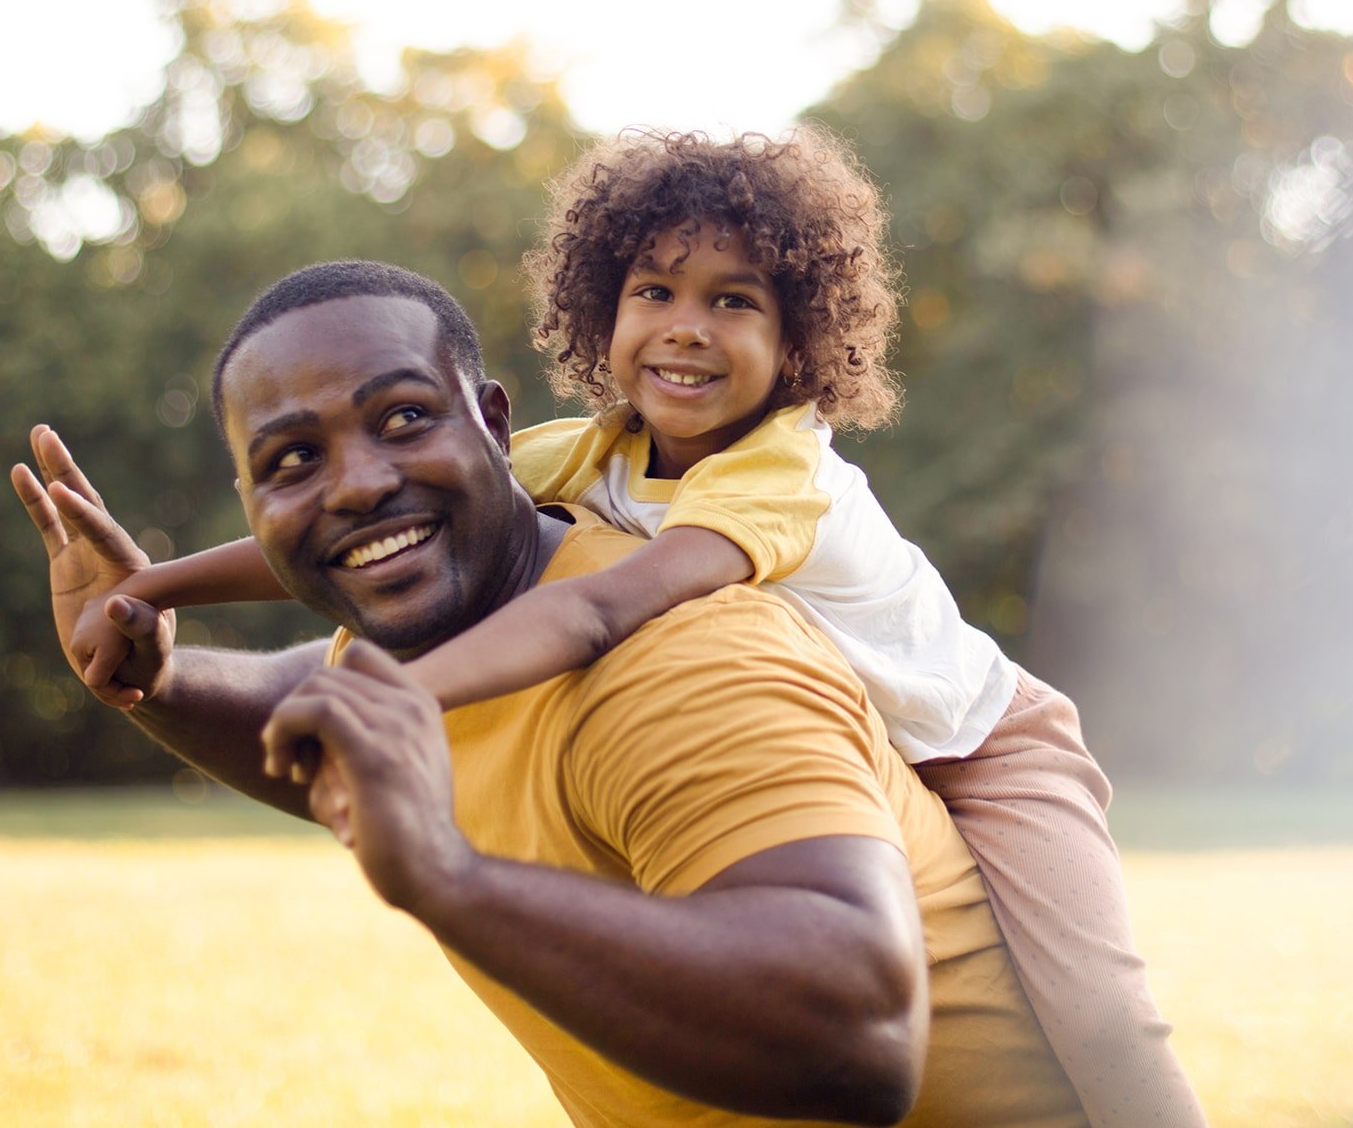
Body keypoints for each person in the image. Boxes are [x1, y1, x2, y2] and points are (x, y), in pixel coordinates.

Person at [63, 131, 1204, 1125]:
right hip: (871, 730)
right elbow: (338, 548)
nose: (685, 329)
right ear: (599, 310)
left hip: (989, 739)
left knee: (1101, 1007)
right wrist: (147, 599)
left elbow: (597, 607)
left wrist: (401, 710)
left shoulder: (762, 491)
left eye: (733, 300)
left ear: (801, 337)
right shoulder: (588, 455)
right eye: (653, 293)